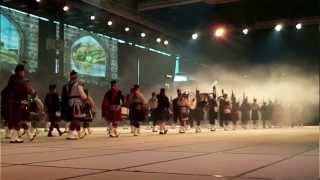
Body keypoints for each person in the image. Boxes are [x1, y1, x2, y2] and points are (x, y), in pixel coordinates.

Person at [5, 64, 35, 143]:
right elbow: (27, 90)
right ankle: (14, 137)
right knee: (20, 119)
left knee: (20, 119)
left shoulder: (12, 79)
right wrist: (31, 92)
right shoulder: (20, 81)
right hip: (20, 103)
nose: (24, 73)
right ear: (20, 71)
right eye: (23, 71)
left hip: (14, 102)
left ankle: (27, 135)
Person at [65, 70, 87, 140]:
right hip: (77, 103)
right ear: (75, 76)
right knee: (76, 119)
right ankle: (71, 133)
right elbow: (82, 95)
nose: (77, 76)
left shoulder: (67, 85)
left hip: (70, 103)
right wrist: (85, 98)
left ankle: (78, 133)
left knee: (74, 118)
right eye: (76, 75)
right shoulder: (78, 84)